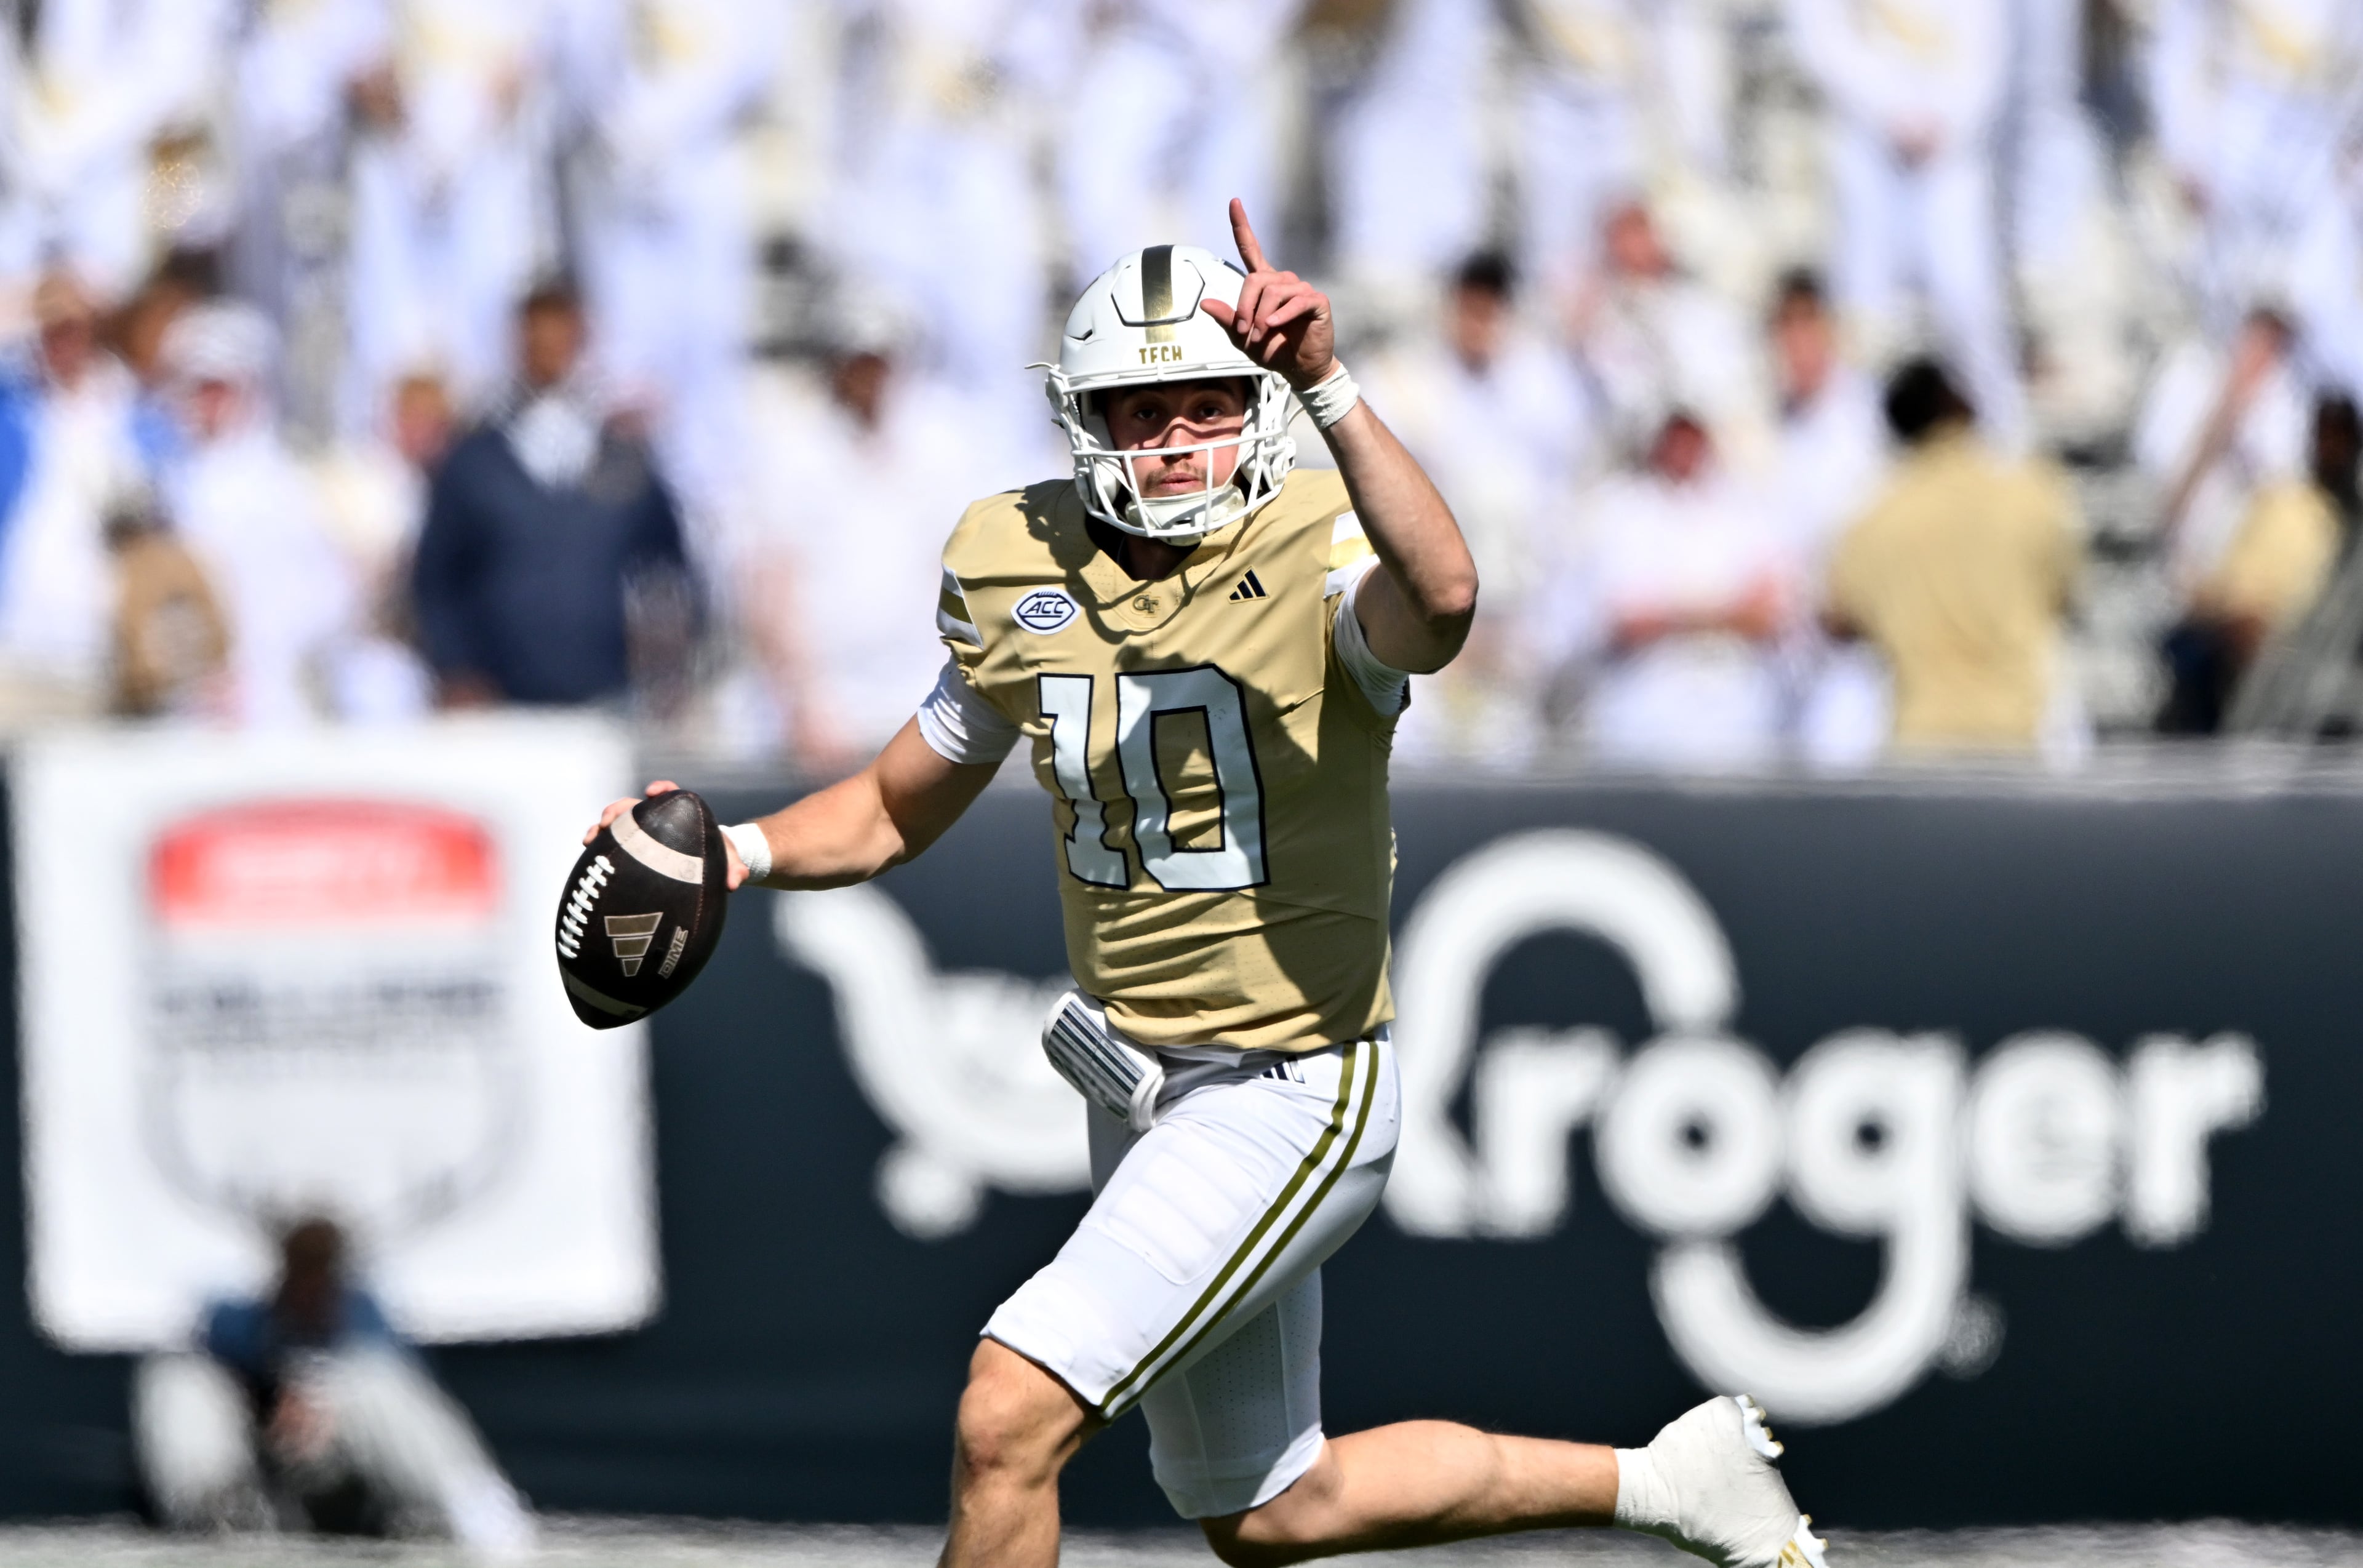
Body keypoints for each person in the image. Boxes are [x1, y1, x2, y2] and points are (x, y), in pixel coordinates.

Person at [591, 206, 1829, 1568]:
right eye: (1141, 410)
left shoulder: (1317, 542)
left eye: (1207, 404)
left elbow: (1448, 594)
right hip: (1144, 1083)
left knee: (1009, 1412)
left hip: (1293, 1081)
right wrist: (737, 851)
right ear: (1084, 421)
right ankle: (1668, 1479)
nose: (1178, 438)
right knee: (1267, 1506)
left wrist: (1330, 384)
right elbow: (894, 804)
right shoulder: (1018, 562)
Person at [134, 1217, 533, 1552]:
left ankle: (472, 1504)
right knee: (177, 1378)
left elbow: (405, 1399)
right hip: (262, 1474)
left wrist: (320, 1401)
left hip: (342, 1475)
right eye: (300, 1270)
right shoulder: (238, 1319)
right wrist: (264, 1399)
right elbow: (215, 1381)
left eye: (320, 1271)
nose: (309, 1286)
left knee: (379, 1383)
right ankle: (216, 1511)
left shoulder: (367, 1319)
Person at [410, 282, 695, 710]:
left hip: (608, 698)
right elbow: (435, 581)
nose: (549, 353)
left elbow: (670, 570)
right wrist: (456, 669)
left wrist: (666, 668)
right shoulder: (475, 464)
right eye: (536, 340)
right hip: (502, 706)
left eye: (560, 339)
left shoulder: (622, 462)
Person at [1361, 251, 1596, 760]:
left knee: (1511, 747)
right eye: (1470, 302)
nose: (1479, 318)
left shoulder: (1545, 387)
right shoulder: (1403, 382)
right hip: (1426, 623)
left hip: (1517, 628)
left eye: (1491, 304)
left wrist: (1531, 638)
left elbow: (1562, 522)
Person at [1786, 0, 2026, 447]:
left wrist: (1949, 114)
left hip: (1949, 153)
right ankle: (1861, 453)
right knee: (1866, 312)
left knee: (1968, 302)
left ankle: (2003, 444)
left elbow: (1988, 45)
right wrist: (1887, 107)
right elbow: (1818, 37)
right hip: (1866, 145)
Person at [1826, 359, 2081, 754]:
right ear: (1964, 409)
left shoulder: (1874, 520)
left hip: (1921, 744)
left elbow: (1839, 619)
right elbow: (2064, 595)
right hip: (2013, 738)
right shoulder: (2032, 495)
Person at [1573, 409, 1796, 770]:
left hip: (1735, 717)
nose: (1685, 451)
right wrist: (1723, 610)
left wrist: (1676, 611)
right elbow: (1626, 622)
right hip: (1648, 717)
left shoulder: (1741, 509)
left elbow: (1769, 614)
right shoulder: (1624, 511)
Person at [2157, 393, 2355, 733]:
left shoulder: (2349, 521)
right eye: (2324, 435)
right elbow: (2232, 583)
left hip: (2310, 662)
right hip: (2245, 647)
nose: (2330, 447)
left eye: (2340, 437)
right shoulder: (2281, 502)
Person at [1765, 270, 1890, 767]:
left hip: (1853, 659)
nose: (1798, 344)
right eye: (1785, 329)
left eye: (1809, 326)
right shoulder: (1770, 425)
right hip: (1782, 656)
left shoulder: (1870, 425)